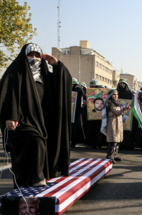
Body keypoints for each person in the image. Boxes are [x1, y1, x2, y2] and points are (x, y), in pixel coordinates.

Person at [0, 43, 72, 187]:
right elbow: (7, 95)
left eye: (37, 56)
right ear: (23, 56)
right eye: (30, 55)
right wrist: (11, 116)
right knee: (36, 141)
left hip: (43, 121)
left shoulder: (44, 76)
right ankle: (36, 178)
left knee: (46, 144)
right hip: (22, 122)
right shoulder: (15, 73)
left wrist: (57, 65)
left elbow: (63, 83)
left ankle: (40, 179)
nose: (34, 59)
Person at [100, 89, 130, 163]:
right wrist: (124, 108)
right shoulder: (110, 103)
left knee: (117, 141)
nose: (116, 96)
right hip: (112, 123)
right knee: (113, 141)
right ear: (110, 95)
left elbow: (119, 113)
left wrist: (124, 110)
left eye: (117, 94)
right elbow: (117, 112)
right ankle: (109, 156)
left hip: (118, 123)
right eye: (114, 94)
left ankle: (115, 155)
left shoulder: (115, 103)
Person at [116, 79, 135, 150]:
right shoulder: (116, 93)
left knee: (127, 131)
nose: (122, 85)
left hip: (128, 115)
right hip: (117, 114)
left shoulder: (129, 93)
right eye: (121, 84)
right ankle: (119, 145)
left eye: (124, 83)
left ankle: (127, 145)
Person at [71, 78, 86, 148]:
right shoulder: (77, 90)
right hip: (73, 112)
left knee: (75, 127)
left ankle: (74, 141)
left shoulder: (78, 90)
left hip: (76, 112)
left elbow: (82, 101)